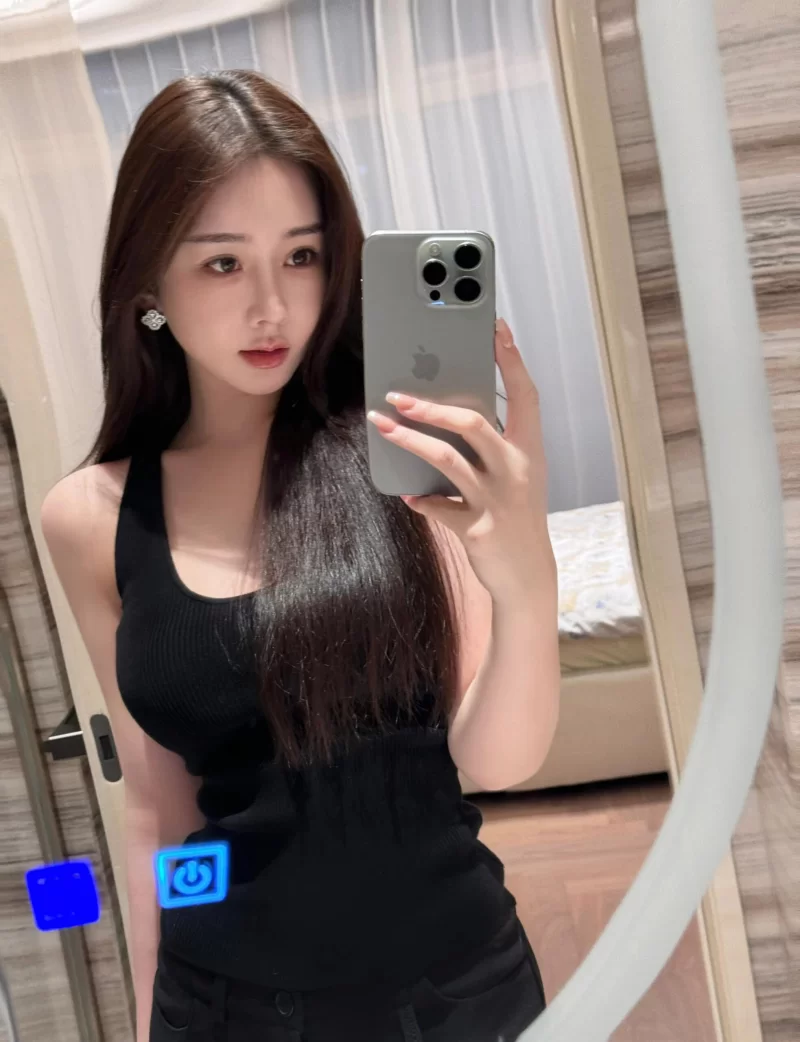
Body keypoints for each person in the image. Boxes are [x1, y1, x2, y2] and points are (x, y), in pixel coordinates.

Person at [40, 70, 560, 1042]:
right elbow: (161, 810)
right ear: (148, 287)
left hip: (454, 995)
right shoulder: (91, 516)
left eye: (302, 255)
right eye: (222, 264)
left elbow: (495, 758)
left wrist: (527, 580)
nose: (272, 305)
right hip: (222, 1008)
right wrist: (151, 1015)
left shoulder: (399, 454)